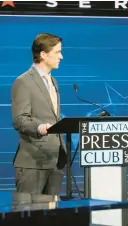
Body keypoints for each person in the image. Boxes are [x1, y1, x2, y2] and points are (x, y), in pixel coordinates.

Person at [11, 33, 66, 202]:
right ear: (43, 54)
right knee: (28, 216)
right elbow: (20, 119)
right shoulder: (23, 82)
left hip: (55, 160)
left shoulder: (53, 82)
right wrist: (39, 127)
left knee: (50, 216)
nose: (61, 57)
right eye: (57, 52)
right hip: (33, 162)